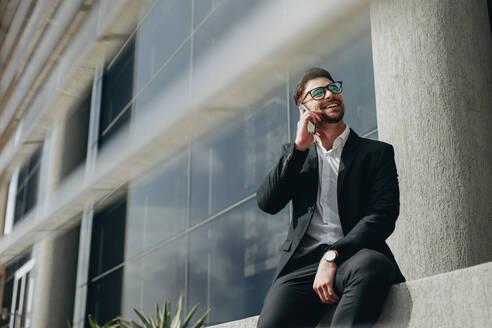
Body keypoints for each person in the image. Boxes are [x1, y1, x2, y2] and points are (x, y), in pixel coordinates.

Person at [256, 67, 405, 328]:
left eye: (333, 88)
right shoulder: (297, 158)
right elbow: (267, 203)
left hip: (353, 256)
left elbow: (382, 216)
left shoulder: (376, 153)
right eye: (318, 92)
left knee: (373, 264)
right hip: (301, 269)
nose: (330, 94)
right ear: (304, 110)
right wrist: (299, 147)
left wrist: (333, 254)